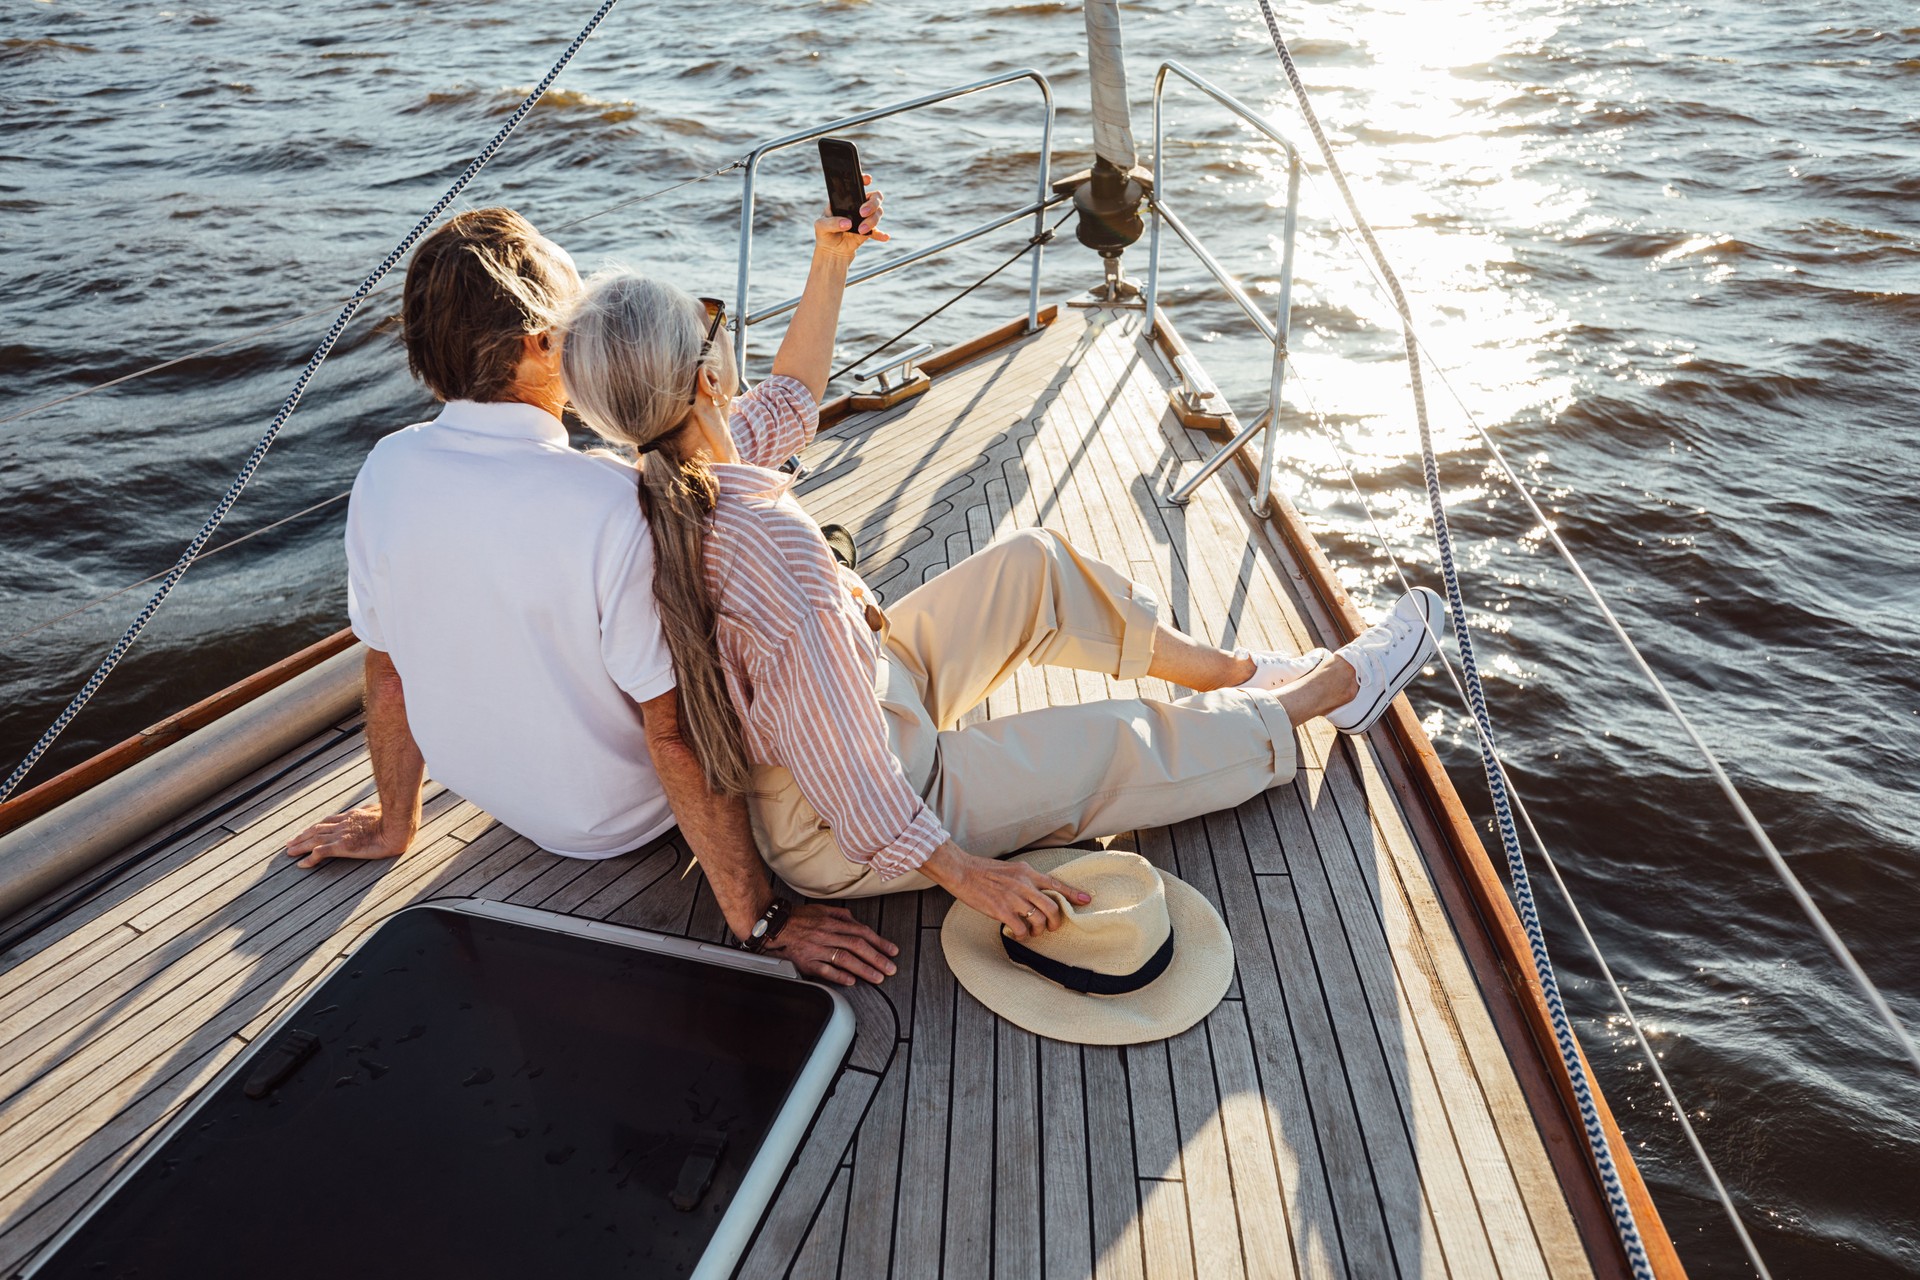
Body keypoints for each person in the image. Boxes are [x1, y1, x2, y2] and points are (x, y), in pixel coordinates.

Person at [556, 267, 1446, 942]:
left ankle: (1242, 672)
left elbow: (788, 405)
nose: (726, 337)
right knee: (1113, 744)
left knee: (1033, 565)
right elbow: (847, 771)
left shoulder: (675, 470)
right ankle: (1324, 692)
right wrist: (962, 872)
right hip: (849, 813)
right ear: (705, 381)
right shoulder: (770, 549)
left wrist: (831, 260)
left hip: (865, 698)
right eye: (712, 327)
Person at [284, 197, 900, 987]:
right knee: (800, 566)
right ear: (541, 346)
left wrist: (394, 821)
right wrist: (759, 918)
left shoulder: (386, 469)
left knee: (745, 485)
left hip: (499, 799)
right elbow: (674, 734)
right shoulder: (612, 503)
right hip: (621, 818)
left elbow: (388, 666)